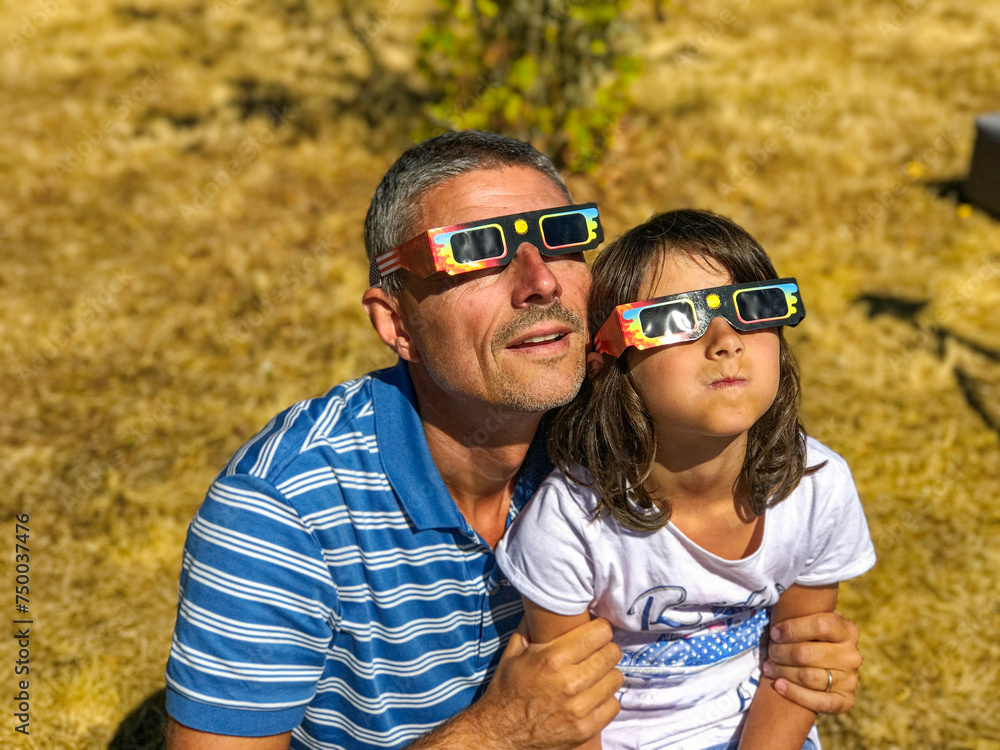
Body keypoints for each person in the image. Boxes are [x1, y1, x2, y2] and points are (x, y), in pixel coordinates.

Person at [164, 132, 867, 750]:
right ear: (395, 322)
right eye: (473, 253)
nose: (537, 281)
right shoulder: (280, 509)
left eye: (560, 237)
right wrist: (496, 732)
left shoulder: (621, 424)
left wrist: (798, 650)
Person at [495, 209, 877, 750]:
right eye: (674, 318)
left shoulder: (816, 487)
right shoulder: (571, 522)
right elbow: (566, 712)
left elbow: (801, 668)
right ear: (606, 358)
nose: (726, 341)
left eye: (751, 307)